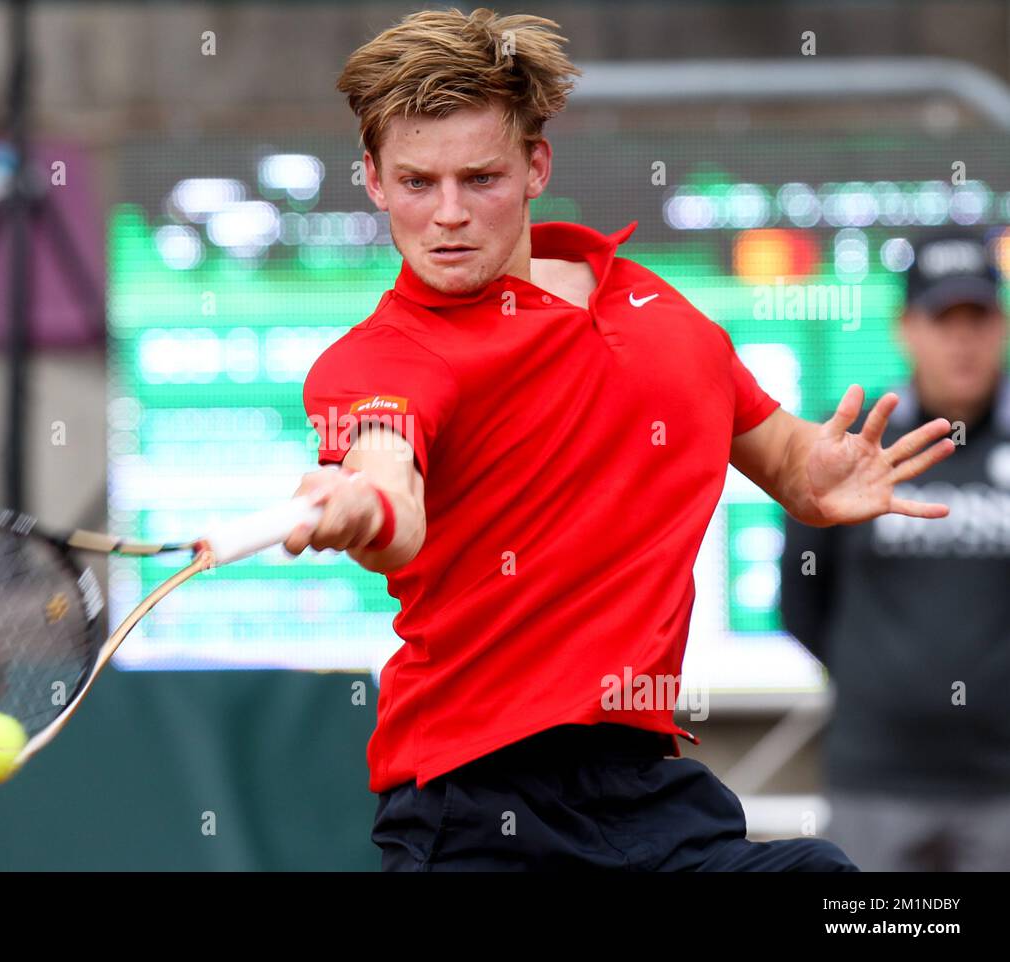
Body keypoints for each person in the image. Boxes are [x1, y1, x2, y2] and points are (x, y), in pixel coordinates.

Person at [285, 7, 954, 871]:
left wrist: (814, 474)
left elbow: (785, 458)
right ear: (373, 181)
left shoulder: (660, 314)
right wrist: (363, 506)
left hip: (648, 792)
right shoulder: (378, 361)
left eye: (479, 178)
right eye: (417, 183)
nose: (447, 215)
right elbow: (390, 490)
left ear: (536, 166)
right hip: (474, 803)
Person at [781, 232, 1010, 872]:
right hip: (873, 777)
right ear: (906, 329)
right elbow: (799, 598)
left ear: (1002, 327)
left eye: (979, 319)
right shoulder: (850, 451)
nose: (962, 341)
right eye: (944, 321)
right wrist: (880, 686)